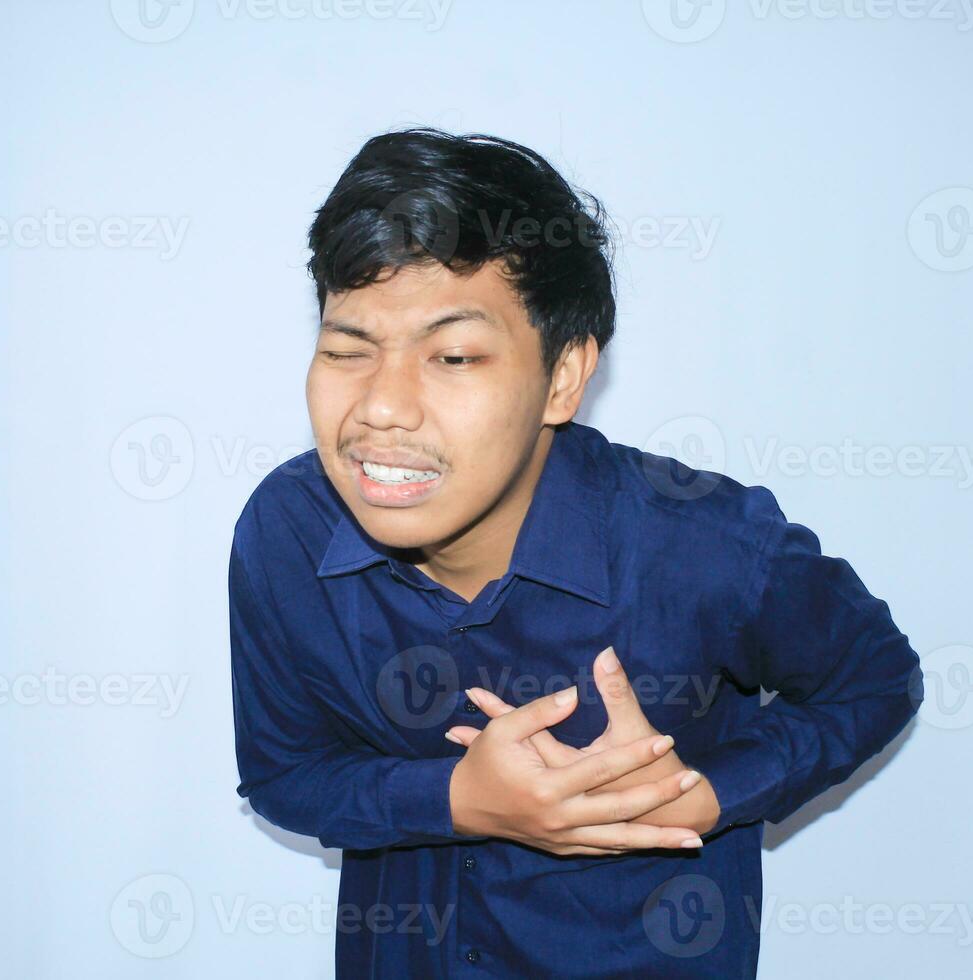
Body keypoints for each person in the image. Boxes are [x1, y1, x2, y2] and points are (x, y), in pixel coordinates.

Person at [229, 127, 924, 977]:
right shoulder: (287, 529)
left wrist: (700, 796)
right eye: (347, 350)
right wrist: (459, 801)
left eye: (451, 355)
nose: (381, 407)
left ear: (563, 377)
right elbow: (284, 774)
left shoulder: (701, 545)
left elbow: (877, 678)